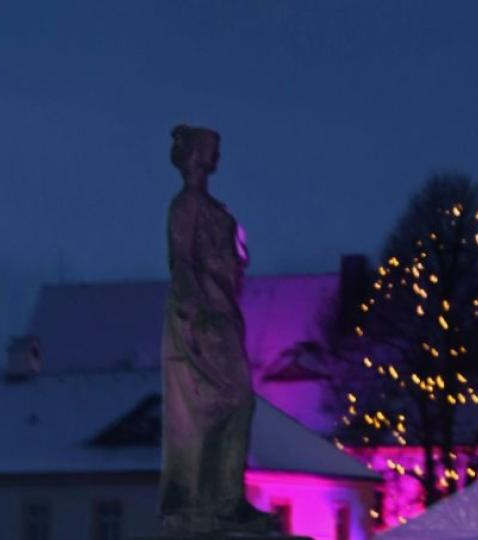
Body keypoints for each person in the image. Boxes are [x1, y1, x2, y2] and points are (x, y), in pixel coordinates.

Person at [158, 124, 278, 535]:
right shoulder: (186, 206)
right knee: (228, 401)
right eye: (213, 148)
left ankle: (222, 500)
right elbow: (183, 263)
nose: (218, 156)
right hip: (203, 319)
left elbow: (224, 261)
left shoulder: (212, 207)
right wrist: (199, 315)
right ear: (196, 154)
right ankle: (209, 501)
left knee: (236, 401)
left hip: (222, 314)